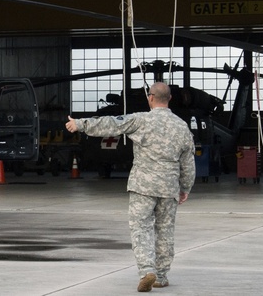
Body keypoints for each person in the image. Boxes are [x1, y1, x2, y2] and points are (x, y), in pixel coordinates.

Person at [66, 82, 194, 292]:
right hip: (169, 186)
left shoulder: (141, 120)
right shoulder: (181, 126)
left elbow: (111, 124)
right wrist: (185, 187)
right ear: (169, 99)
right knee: (165, 231)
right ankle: (161, 276)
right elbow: (188, 162)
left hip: (142, 185)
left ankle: (146, 271)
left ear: (150, 97)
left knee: (141, 229)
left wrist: (80, 124)